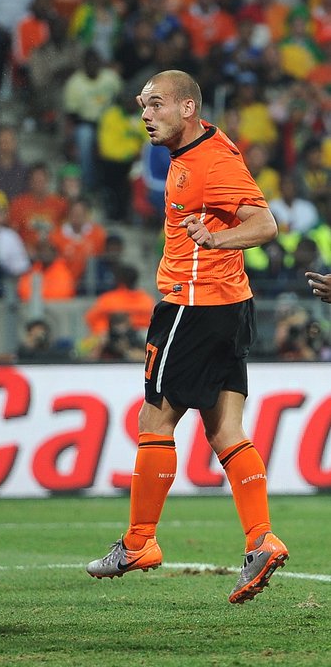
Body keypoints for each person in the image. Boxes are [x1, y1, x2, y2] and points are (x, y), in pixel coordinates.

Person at [86, 70, 288, 605]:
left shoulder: (211, 163)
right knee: (226, 431)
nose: (145, 114)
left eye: (156, 105)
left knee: (154, 421)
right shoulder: (195, 150)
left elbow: (265, 224)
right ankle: (261, 539)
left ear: (188, 109)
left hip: (192, 307)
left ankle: (139, 542)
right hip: (229, 306)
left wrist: (216, 239)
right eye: (143, 104)